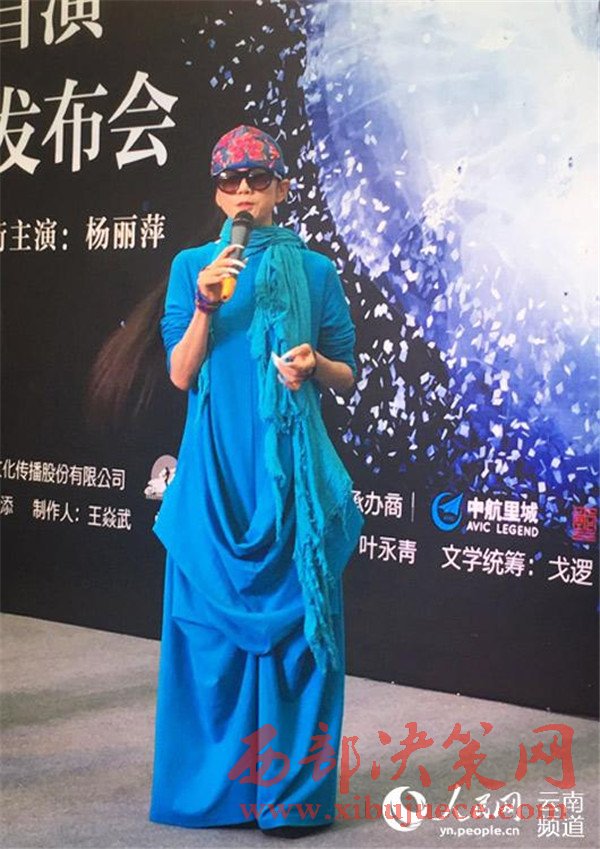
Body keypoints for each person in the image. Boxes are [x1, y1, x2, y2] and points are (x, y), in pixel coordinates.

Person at [147, 125, 363, 837]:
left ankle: (290, 795)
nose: (244, 192)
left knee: (301, 633)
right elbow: (182, 373)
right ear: (217, 193)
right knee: (207, 630)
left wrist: (312, 365)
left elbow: (346, 370)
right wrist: (206, 304)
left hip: (289, 472)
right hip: (215, 472)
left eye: (258, 179)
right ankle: (216, 788)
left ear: (281, 188)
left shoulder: (317, 272)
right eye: (230, 181)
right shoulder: (193, 266)